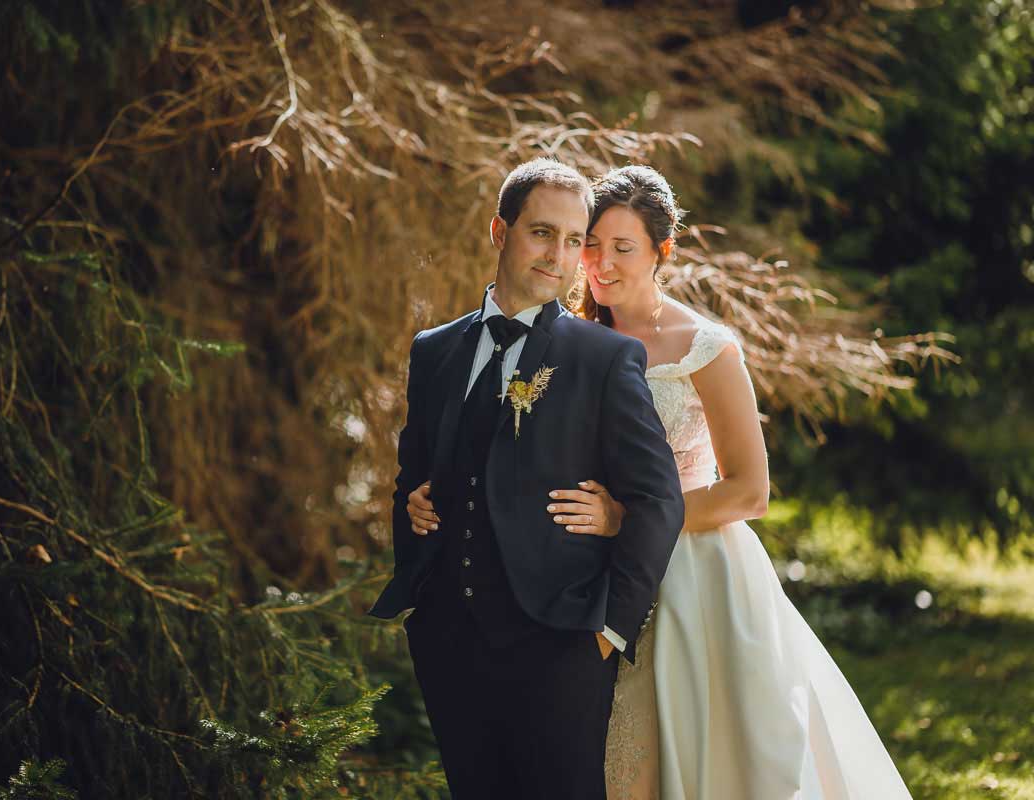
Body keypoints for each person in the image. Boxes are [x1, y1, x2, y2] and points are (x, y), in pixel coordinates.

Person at [409, 165, 914, 800]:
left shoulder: (705, 347)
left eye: (623, 248)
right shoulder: (563, 337)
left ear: (660, 253)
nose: (600, 262)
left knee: (701, 753)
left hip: (690, 575)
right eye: (590, 244)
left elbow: (750, 492)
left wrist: (627, 518)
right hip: (575, 574)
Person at [369, 158, 685, 800]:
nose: (560, 256)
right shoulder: (435, 349)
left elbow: (658, 500)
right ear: (499, 231)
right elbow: (412, 475)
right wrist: (419, 519)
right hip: (448, 642)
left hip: (562, 648)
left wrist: (609, 629)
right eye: (543, 233)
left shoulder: (602, 357)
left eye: (575, 241)